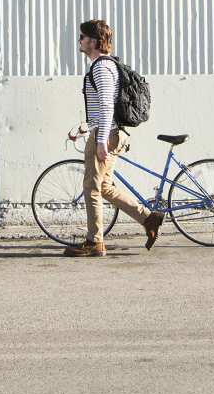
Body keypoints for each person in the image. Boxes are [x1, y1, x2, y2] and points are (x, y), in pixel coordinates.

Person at [64, 18, 163, 257]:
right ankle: (147, 218)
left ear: (94, 41)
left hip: (107, 134)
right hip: (106, 131)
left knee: (91, 188)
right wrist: (88, 129)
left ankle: (94, 241)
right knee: (105, 187)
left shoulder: (101, 67)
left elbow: (107, 104)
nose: (79, 40)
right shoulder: (104, 66)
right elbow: (103, 106)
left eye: (83, 36)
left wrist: (100, 141)